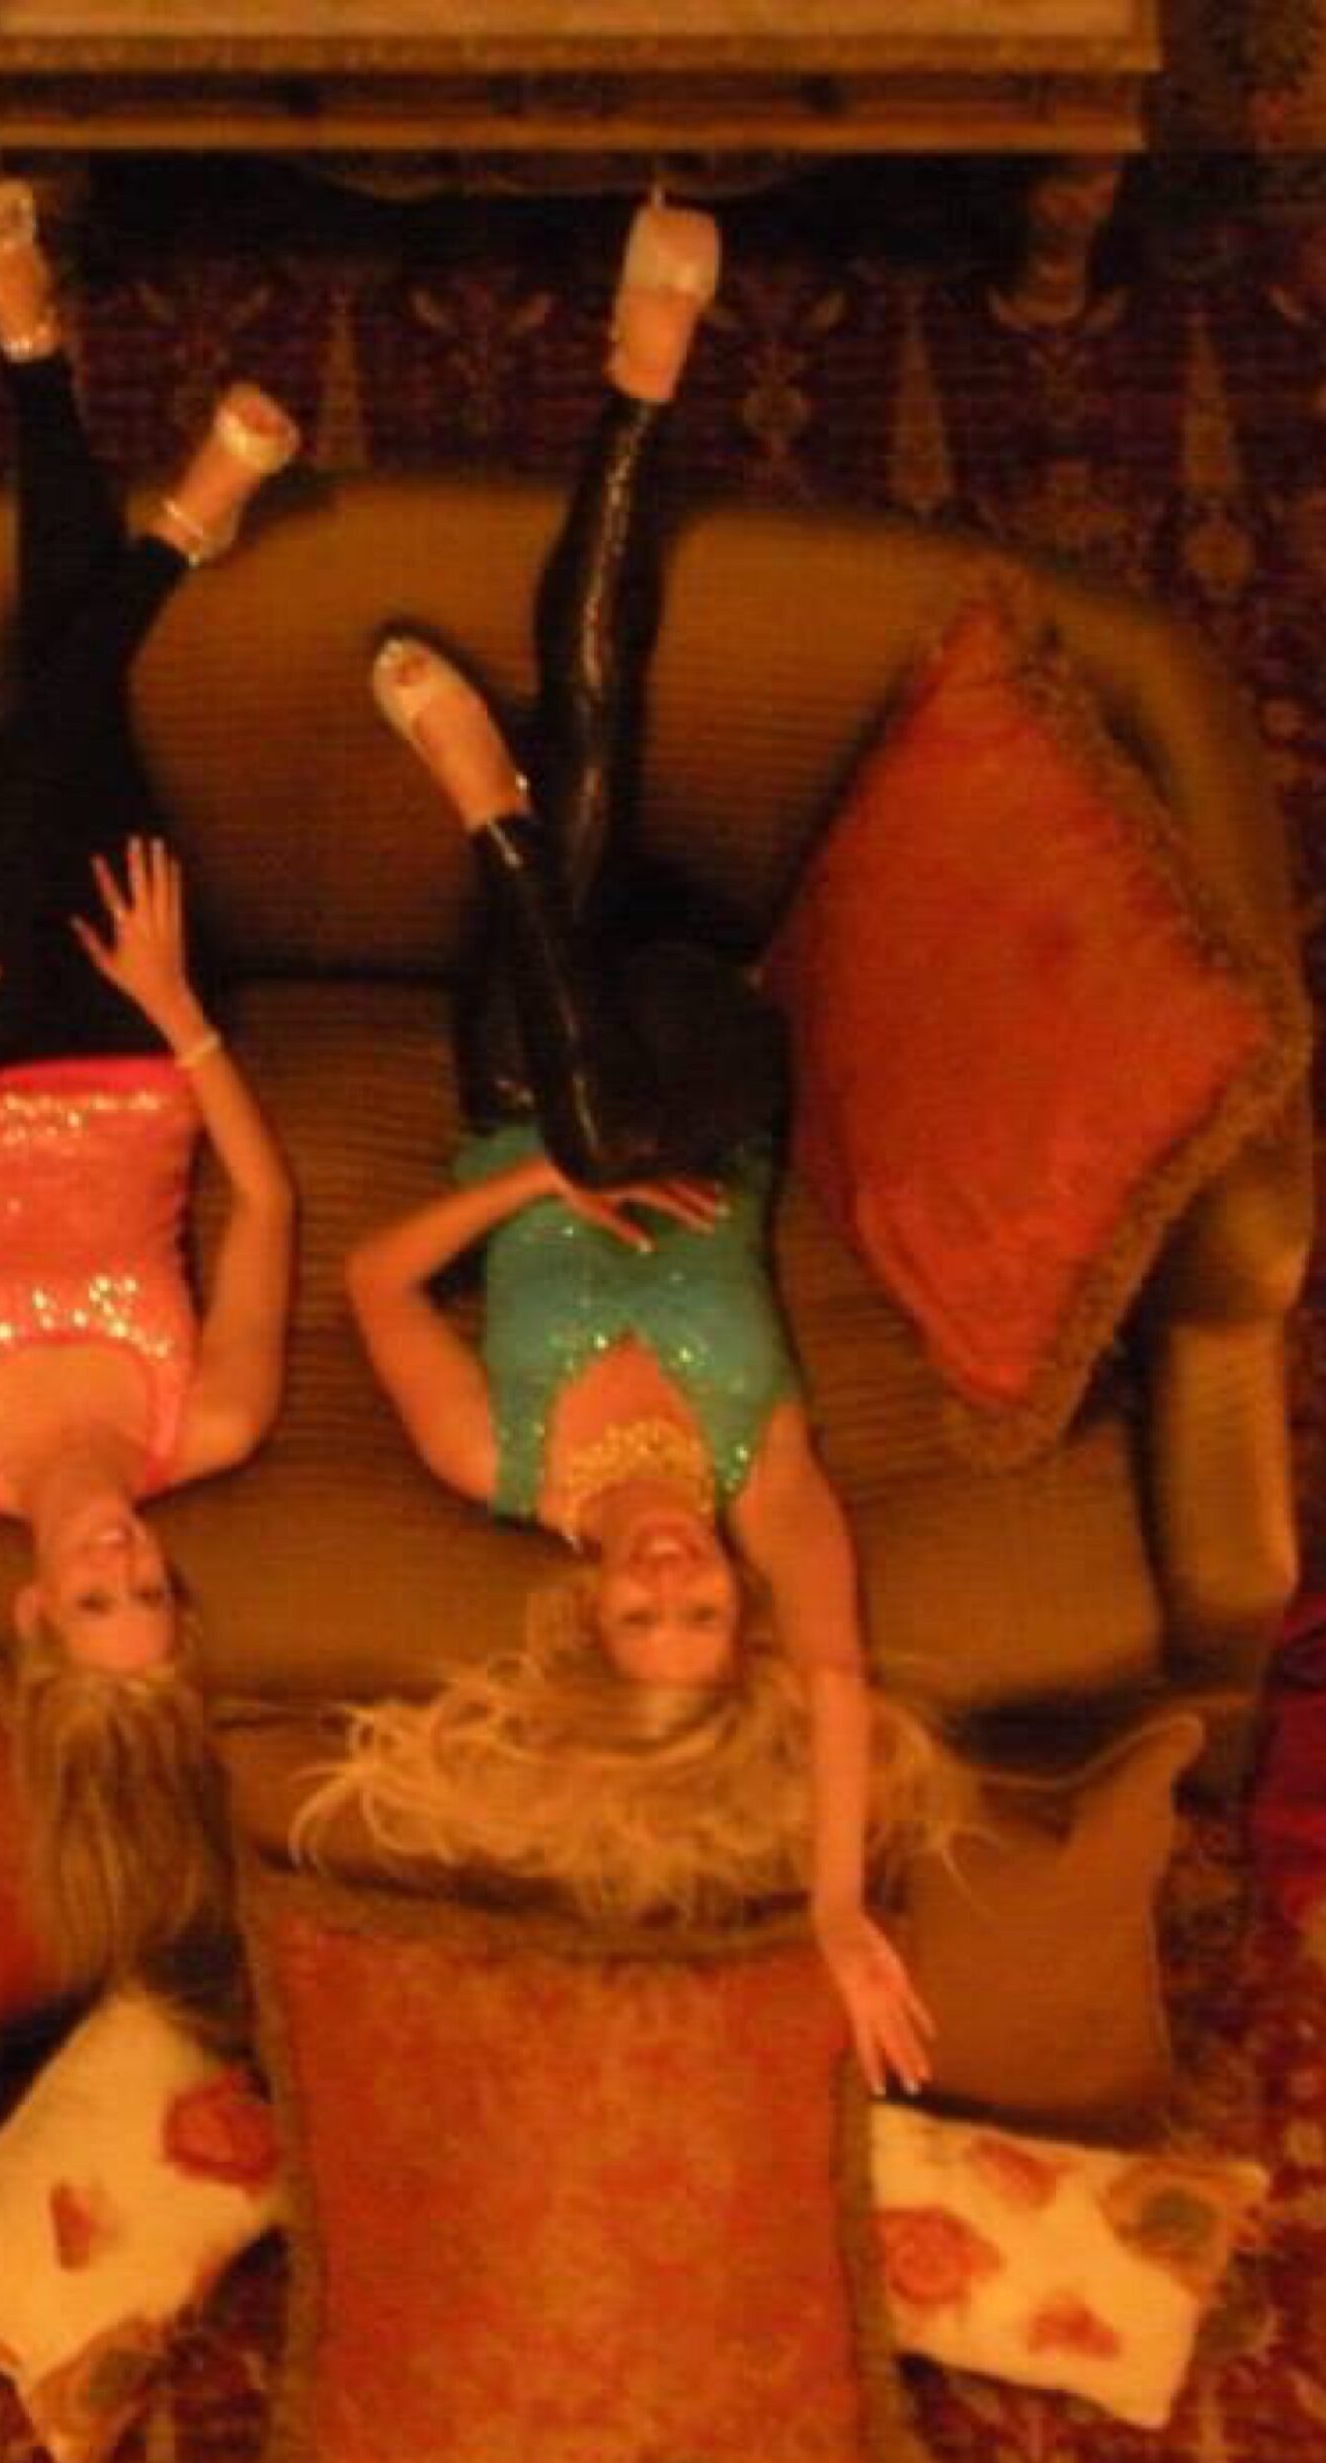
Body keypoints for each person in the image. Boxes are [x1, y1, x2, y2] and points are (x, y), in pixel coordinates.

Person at [338, 197, 968, 2095]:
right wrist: (832, 1908)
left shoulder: (501, 1463)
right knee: (601, 972)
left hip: (518, 1064)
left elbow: (376, 1281)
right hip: (697, 1037)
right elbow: (838, 1682)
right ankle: (494, 824)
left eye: (647, 1613)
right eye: (705, 1613)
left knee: (594, 738)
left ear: (590, 1613)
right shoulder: (769, 1481)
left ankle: (638, 390)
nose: (680, 1576)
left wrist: (542, 1182)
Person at [0, 178, 296, 2005]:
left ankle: (160, 513)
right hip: (126, 1019)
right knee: (58, 740)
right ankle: (58, 381)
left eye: (94, 1601)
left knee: (11, 786)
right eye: (152, 1594)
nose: (121, 1563)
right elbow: (266, 1206)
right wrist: (180, 1014)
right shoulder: (215, 1425)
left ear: (37, 1614)